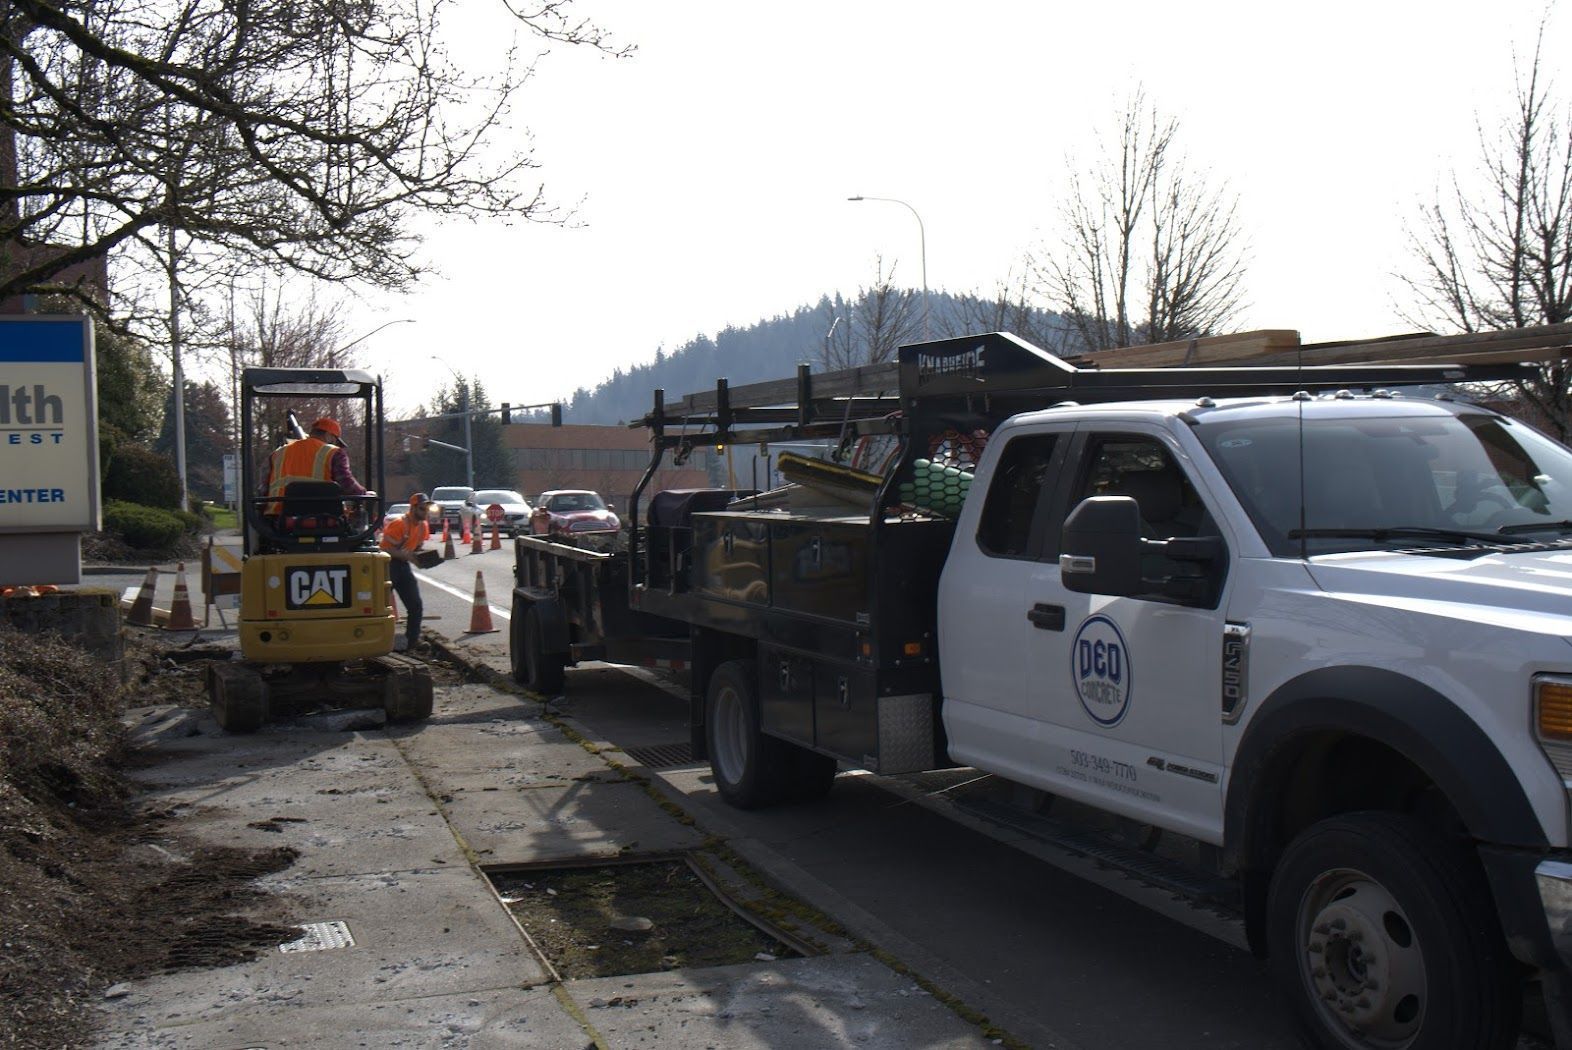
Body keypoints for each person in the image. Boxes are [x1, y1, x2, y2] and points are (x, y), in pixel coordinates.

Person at [262, 416, 368, 514]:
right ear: (329, 436)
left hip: (277, 517)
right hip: (321, 517)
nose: (335, 444)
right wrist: (364, 493)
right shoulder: (334, 453)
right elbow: (347, 484)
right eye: (335, 440)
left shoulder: (277, 454)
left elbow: (264, 490)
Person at [380, 492, 431, 652]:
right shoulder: (399, 524)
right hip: (388, 565)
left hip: (403, 566)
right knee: (381, 606)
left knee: (415, 605)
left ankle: (412, 641)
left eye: (427, 509)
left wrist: (423, 558)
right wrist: (407, 556)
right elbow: (385, 549)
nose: (425, 512)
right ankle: (378, 641)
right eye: (422, 509)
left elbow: (417, 547)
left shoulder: (422, 526)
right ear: (413, 508)